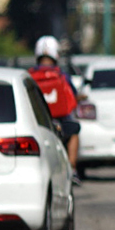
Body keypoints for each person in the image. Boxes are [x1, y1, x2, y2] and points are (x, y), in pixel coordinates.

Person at [29, 36, 81, 184]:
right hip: (61, 121)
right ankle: (72, 169)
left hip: (38, 123)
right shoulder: (62, 75)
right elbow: (72, 96)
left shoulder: (30, 75)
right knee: (74, 130)